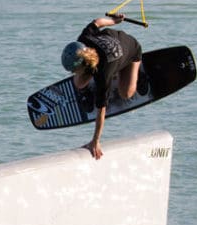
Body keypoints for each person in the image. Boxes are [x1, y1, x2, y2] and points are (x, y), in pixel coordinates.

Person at [60, 13, 142, 160]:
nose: (72, 72)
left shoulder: (103, 74)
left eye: (73, 70)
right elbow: (97, 22)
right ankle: (117, 73)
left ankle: (132, 73)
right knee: (78, 83)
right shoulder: (83, 40)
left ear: (83, 66)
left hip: (132, 49)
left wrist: (95, 141)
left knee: (126, 94)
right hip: (114, 38)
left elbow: (101, 111)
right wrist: (114, 20)